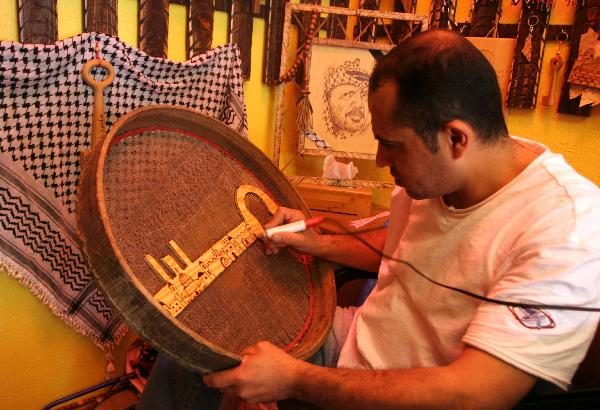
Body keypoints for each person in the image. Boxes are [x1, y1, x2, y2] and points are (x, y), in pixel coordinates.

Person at [139, 29, 600, 409]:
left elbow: (476, 393)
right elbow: (396, 245)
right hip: (355, 341)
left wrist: (294, 380)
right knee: (194, 343)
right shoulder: (445, 171)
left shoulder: (567, 230)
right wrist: (315, 240)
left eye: (392, 144)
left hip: (419, 395)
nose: (381, 160)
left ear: (456, 138)